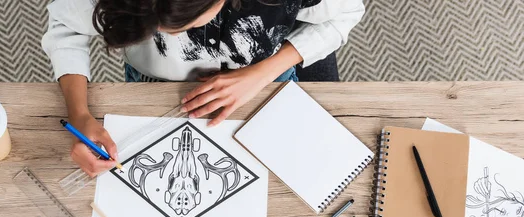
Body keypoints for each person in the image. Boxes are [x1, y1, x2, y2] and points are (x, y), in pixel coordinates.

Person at [42, 0, 365, 176]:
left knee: (298, 169)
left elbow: (346, 14)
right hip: (153, 82)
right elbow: (65, 27)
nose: (165, 35)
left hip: (265, 76)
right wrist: (80, 114)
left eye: (184, 27)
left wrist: (260, 74)